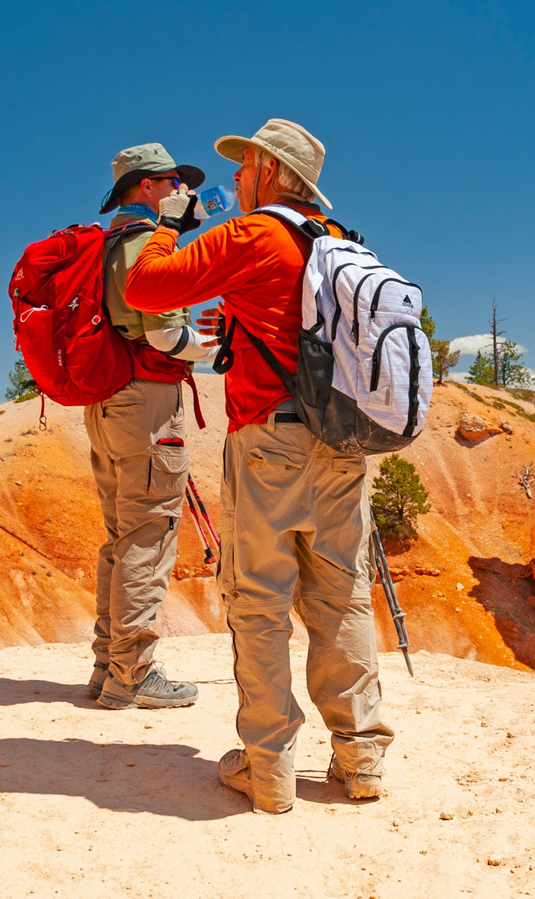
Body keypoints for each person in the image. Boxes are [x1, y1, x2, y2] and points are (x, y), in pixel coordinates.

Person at [125, 119, 393, 813]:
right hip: (345, 443)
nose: (236, 179)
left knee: (260, 601)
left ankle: (269, 768)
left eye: (245, 166)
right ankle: (360, 758)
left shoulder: (251, 235)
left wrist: (171, 223)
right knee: (342, 596)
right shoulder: (338, 241)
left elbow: (148, 288)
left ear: (271, 171)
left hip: (269, 443)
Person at [84, 143, 217, 710]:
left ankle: (107, 665)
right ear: (146, 188)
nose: (182, 193)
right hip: (146, 403)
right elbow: (165, 334)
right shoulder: (142, 245)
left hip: (109, 401)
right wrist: (222, 349)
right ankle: (132, 674)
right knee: (150, 536)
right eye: (171, 183)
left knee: (122, 536)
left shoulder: (108, 241)